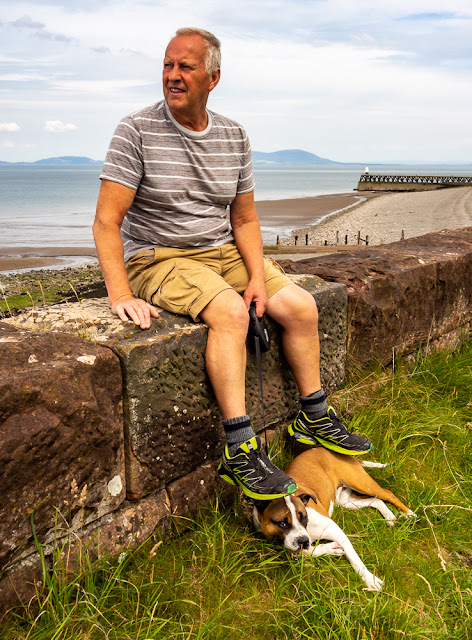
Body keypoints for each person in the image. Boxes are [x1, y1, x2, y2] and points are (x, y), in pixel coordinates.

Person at [93, 27, 372, 502]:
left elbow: (243, 218)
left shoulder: (234, 135)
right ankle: (240, 449)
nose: (172, 76)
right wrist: (120, 294)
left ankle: (313, 417)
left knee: (302, 307)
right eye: (167, 65)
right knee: (230, 313)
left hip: (221, 251)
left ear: (213, 77)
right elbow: (106, 221)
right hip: (159, 256)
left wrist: (259, 277)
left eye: (185, 66)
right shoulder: (135, 129)